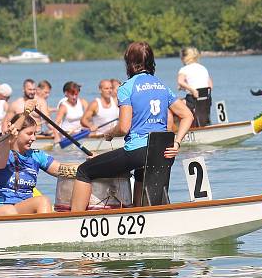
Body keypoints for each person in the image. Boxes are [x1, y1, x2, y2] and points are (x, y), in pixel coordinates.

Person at [70, 41, 194, 211]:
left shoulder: (126, 87)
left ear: (129, 63)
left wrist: (110, 134)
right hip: (163, 152)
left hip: (138, 152)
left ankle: (75, 219)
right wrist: (177, 143)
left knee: (84, 170)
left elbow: (124, 127)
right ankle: (139, 213)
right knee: (141, 174)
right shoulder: (162, 86)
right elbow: (188, 115)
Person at [0, 115, 60, 214]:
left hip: (26, 207)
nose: (34, 138)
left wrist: (86, 166)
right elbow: (0, 144)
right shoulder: (2, 152)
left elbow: (62, 170)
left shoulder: (36, 155)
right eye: (29, 133)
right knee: (42, 201)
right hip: (2, 208)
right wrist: (25, 114)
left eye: (35, 133)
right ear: (16, 133)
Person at [177, 47, 213, 127]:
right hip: (206, 100)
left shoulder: (184, 69)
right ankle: (203, 123)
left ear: (184, 58)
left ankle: (179, 129)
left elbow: (180, 81)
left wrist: (192, 90)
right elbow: (210, 86)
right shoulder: (203, 68)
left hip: (193, 100)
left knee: (173, 105)